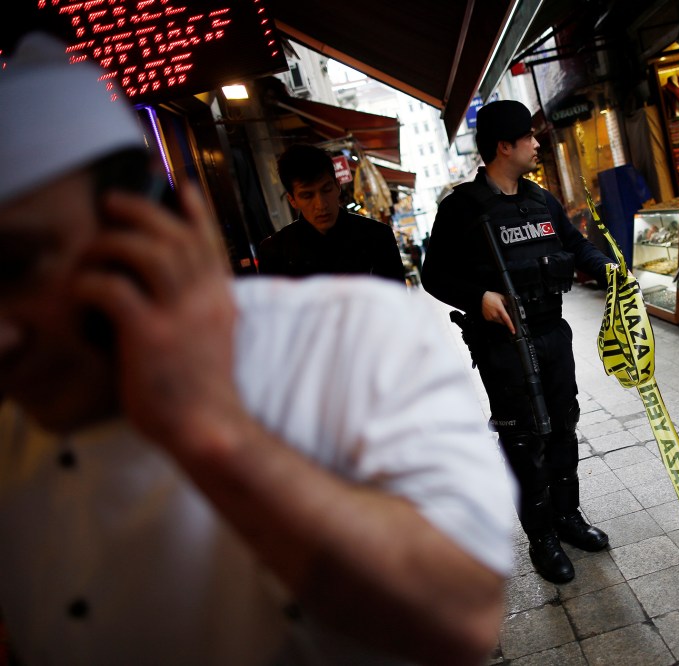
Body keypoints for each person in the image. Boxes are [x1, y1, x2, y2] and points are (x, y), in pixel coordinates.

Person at [0, 32, 516, 666]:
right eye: (307, 195)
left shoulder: (370, 331)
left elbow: (458, 613)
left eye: (19, 268)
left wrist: (214, 431)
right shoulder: (12, 440)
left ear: (151, 233)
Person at [421, 100, 615, 584]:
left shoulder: (542, 200)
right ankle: (542, 538)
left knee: (564, 425)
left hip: (553, 333)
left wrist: (608, 268)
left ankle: (568, 518)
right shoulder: (461, 209)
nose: (536, 144)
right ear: (503, 146)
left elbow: (575, 244)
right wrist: (478, 296)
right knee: (523, 437)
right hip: (503, 345)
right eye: (528, 137)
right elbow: (432, 274)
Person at [256, 143, 406, 283]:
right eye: (307, 195)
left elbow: (397, 305)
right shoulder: (275, 253)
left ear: (337, 186)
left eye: (326, 190)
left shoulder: (377, 236)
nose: (321, 205)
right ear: (292, 200)